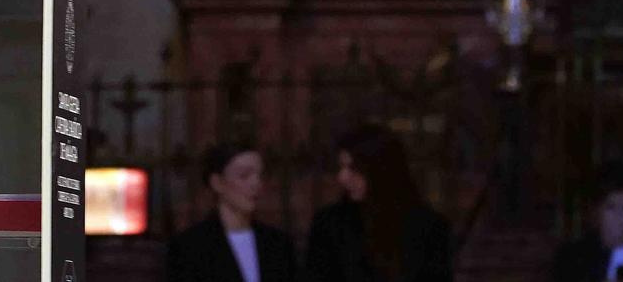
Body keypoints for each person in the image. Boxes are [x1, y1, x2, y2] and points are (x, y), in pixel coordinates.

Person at [304, 123, 453, 282]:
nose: (342, 177)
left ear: (380, 169)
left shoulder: (429, 228)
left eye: (354, 168)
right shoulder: (330, 224)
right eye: (341, 167)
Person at [168, 142, 295, 282]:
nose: (256, 184)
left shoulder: (277, 244)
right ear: (217, 183)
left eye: (260, 175)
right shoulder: (190, 247)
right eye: (244, 176)